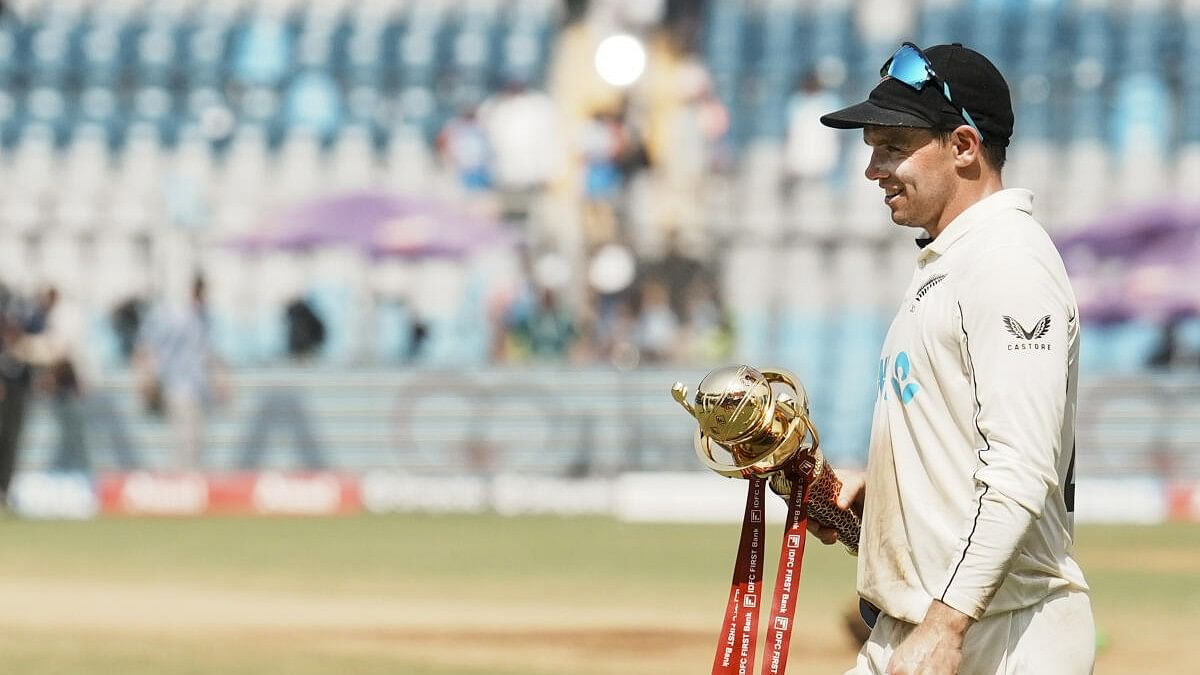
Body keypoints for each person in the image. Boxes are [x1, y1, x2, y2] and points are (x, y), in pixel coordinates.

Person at [809, 43, 1094, 674]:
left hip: (996, 636)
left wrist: (945, 627)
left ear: (964, 145)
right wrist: (877, 494)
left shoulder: (1008, 264)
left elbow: (1019, 470)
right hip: (927, 624)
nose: (873, 169)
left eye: (892, 146)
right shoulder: (953, 260)